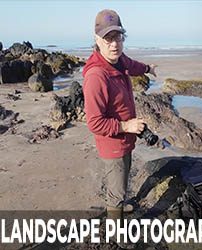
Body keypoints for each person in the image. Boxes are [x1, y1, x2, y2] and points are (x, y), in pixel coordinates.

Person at [82, 9, 157, 217]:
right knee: (116, 190)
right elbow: (94, 123)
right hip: (113, 144)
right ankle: (117, 231)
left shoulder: (118, 59)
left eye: (118, 37)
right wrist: (127, 126)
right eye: (108, 38)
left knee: (122, 180)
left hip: (125, 140)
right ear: (97, 39)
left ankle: (121, 202)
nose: (114, 43)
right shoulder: (97, 76)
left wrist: (148, 68)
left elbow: (131, 65)